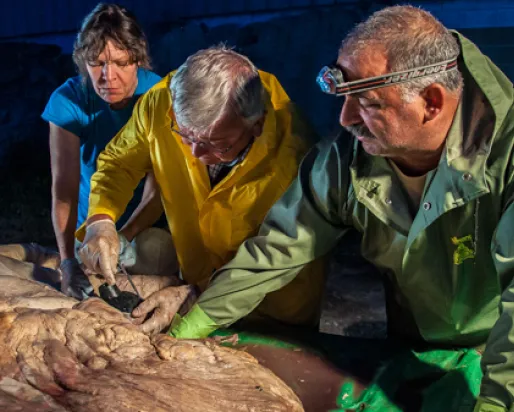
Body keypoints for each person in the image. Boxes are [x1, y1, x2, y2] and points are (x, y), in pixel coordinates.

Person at [163, 6, 514, 412]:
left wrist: (496, 402)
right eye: (345, 99)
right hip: (413, 340)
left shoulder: (506, 158)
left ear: (430, 102)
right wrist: (197, 320)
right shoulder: (347, 159)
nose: (346, 119)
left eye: (366, 103)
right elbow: (282, 245)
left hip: (499, 349)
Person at [77, 45, 324, 335]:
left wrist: (201, 292)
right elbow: (120, 163)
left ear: (255, 125)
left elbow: (277, 257)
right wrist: (101, 220)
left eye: (215, 143)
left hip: (271, 305)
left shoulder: (296, 156)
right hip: (192, 279)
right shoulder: (161, 102)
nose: (194, 152)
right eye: (184, 135)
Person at [42, 4, 170, 300]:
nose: (107, 76)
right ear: (83, 62)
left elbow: (158, 189)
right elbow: (64, 190)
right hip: (89, 228)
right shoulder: (68, 100)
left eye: (120, 63)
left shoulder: (158, 96)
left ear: (137, 59)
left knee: (156, 255)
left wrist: (122, 238)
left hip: (141, 222)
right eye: (97, 63)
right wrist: (68, 263)